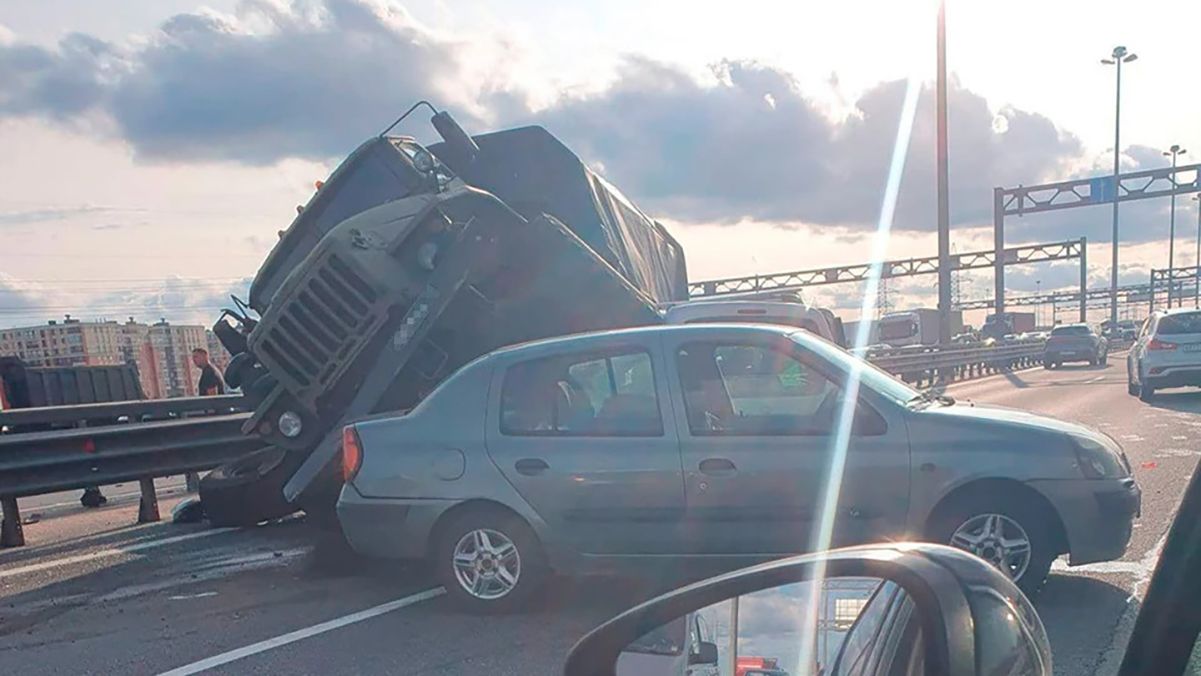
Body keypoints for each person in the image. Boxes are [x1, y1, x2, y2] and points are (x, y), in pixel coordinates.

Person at [185, 348, 225, 491]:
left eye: (196, 357)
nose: (194, 361)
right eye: (193, 358)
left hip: (215, 419)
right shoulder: (211, 371)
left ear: (204, 356)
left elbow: (212, 399)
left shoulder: (209, 373)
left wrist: (209, 418)